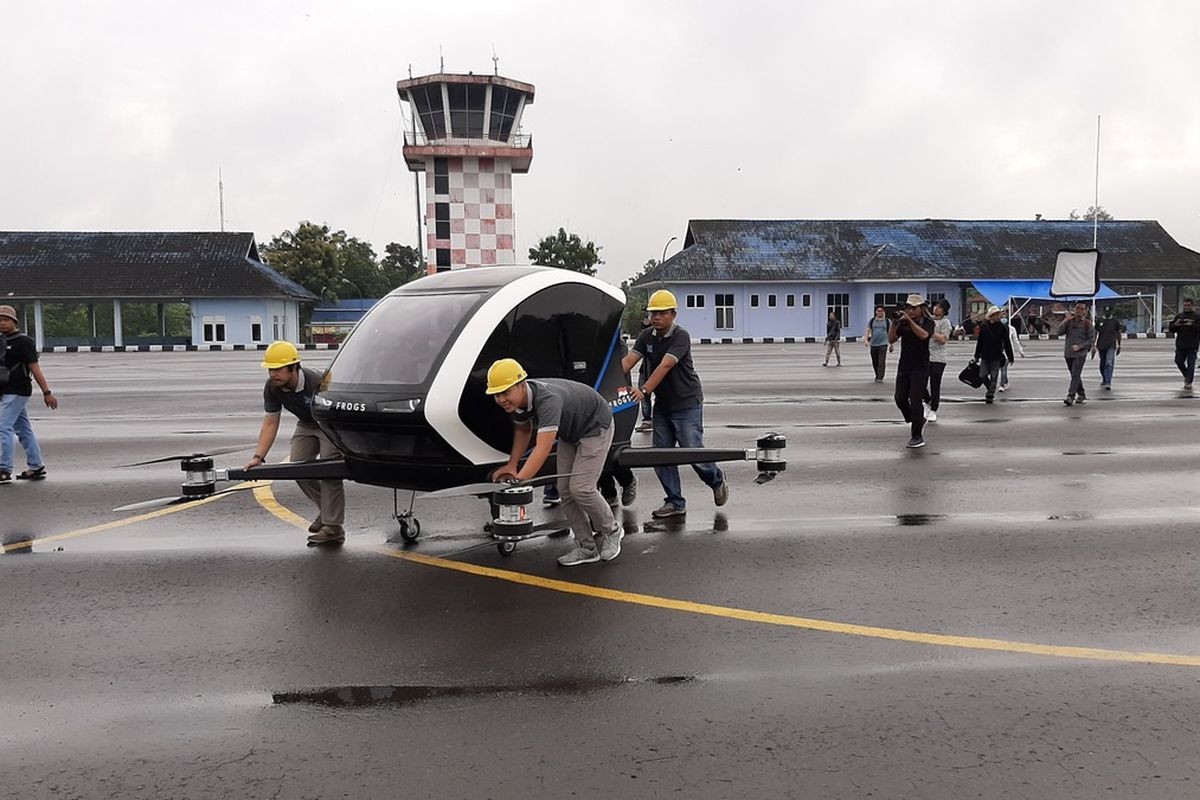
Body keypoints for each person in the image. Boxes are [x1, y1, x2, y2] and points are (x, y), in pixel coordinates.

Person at [486, 358, 621, 566]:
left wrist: (521, 479)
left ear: (522, 385)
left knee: (582, 489)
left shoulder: (547, 399)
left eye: (505, 392)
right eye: (497, 394)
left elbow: (543, 446)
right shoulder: (518, 402)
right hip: (571, 432)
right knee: (565, 490)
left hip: (595, 425)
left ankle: (612, 531)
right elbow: (523, 430)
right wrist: (512, 465)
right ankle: (587, 548)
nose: (501, 399)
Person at [622, 289, 728, 518]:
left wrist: (644, 390)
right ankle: (675, 501)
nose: (656, 317)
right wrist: (606, 382)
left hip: (687, 403)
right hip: (663, 406)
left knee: (692, 451)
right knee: (661, 455)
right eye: (653, 313)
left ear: (673, 314)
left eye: (662, 313)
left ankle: (717, 479)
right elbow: (629, 361)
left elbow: (665, 366)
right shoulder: (646, 336)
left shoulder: (681, 336)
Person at [245, 341, 346, 546]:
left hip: (330, 424)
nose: (273, 374)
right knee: (298, 467)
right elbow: (271, 422)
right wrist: (258, 457)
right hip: (307, 424)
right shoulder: (272, 387)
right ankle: (326, 511)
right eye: (270, 370)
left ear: (294, 368)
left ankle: (333, 527)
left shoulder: (319, 381)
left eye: (278, 369)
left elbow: (341, 408)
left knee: (329, 469)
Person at [0, 305, 58, 484]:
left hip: (18, 390)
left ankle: (4, 469)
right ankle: (36, 466)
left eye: (6, 319)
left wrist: (47, 392)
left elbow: (34, 368)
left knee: (3, 427)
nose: (2, 323)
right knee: (22, 428)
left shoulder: (23, 342)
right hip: (4, 390)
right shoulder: (0, 340)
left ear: (14, 322)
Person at [888, 293, 934, 448]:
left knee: (915, 401)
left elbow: (924, 336)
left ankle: (917, 435)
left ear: (921, 309)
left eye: (914, 308)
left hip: (920, 367)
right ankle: (918, 420)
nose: (911, 311)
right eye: (908, 308)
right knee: (899, 398)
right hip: (904, 365)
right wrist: (894, 324)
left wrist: (909, 321)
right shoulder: (903, 322)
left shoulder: (928, 322)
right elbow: (892, 339)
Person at [972, 306, 1014, 404]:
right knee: (982, 375)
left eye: (998, 315)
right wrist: (976, 356)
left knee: (994, 376)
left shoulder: (1002, 327)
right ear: (991, 316)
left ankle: (990, 395)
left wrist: (1010, 357)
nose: (998, 317)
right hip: (985, 356)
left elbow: (1007, 342)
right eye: (996, 315)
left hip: (996, 356)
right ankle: (990, 388)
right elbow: (980, 343)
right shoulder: (984, 327)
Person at [1058, 301, 1096, 406]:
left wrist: (1080, 347)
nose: (1079, 311)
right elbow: (1059, 332)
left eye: (1082, 309)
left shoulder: (1087, 324)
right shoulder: (1070, 322)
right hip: (1068, 353)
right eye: (1078, 308)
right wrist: (1065, 321)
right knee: (1075, 375)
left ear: (1085, 311)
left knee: (1075, 374)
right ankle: (1082, 393)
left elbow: (1090, 340)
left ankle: (1070, 396)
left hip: (1080, 354)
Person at [922, 299, 952, 422]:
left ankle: (934, 409)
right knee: (921, 382)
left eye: (939, 307)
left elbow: (943, 339)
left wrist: (932, 332)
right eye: (935, 306)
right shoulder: (929, 320)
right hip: (924, 355)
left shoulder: (945, 323)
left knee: (935, 383)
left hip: (938, 357)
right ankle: (928, 401)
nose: (936, 309)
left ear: (944, 310)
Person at [1169, 297, 1200, 391]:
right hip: (1180, 344)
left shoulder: (1197, 317)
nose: (1186, 307)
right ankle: (1187, 376)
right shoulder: (1179, 316)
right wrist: (1175, 325)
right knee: (1178, 361)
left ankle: (1188, 382)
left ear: (1192, 306)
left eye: (1188, 305)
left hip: (1192, 345)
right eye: (1185, 305)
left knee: (1191, 364)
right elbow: (1171, 329)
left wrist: (1192, 325)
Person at [1095, 307, 1124, 390]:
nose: (1107, 312)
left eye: (1109, 311)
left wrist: (1119, 345)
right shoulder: (1100, 321)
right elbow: (1095, 332)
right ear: (1104, 311)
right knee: (1102, 364)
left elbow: (1118, 333)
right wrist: (1093, 344)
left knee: (1109, 363)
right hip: (1101, 345)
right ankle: (1104, 378)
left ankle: (1108, 381)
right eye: (1106, 311)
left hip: (1111, 345)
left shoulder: (1115, 321)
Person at [635, 313, 654, 433]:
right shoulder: (645, 335)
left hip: (658, 370)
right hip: (645, 369)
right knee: (644, 396)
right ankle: (647, 420)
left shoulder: (674, 336)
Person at [998, 314, 1026, 392]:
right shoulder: (997, 328)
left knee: (1003, 369)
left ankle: (1002, 385)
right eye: (1002, 318)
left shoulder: (1012, 329)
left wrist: (1021, 351)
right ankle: (1005, 381)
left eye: (1004, 318)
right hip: (999, 352)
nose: (1003, 319)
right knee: (1002, 370)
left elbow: (1016, 341)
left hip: (1007, 352)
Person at [864, 306, 892, 382]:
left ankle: (880, 377)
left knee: (881, 361)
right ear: (876, 312)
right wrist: (866, 340)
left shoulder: (887, 321)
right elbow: (868, 330)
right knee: (875, 361)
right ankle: (877, 374)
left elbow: (890, 332)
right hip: (873, 344)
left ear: (884, 312)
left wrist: (891, 344)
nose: (880, 312)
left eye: (881, 311)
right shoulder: (872, 320)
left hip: (883, 343)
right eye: (878, 311)